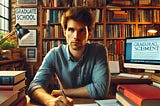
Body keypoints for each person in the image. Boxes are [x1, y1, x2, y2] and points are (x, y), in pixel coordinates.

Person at [28, 7, 110, 106]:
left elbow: (100, 90)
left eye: (82, 30)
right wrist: (49, 100)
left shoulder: (98, 51)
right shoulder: (54, 54)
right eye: (71, 30)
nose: (76, 36)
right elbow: (34, 86)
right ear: (65, 32)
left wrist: (63, 92)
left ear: (90, 33)